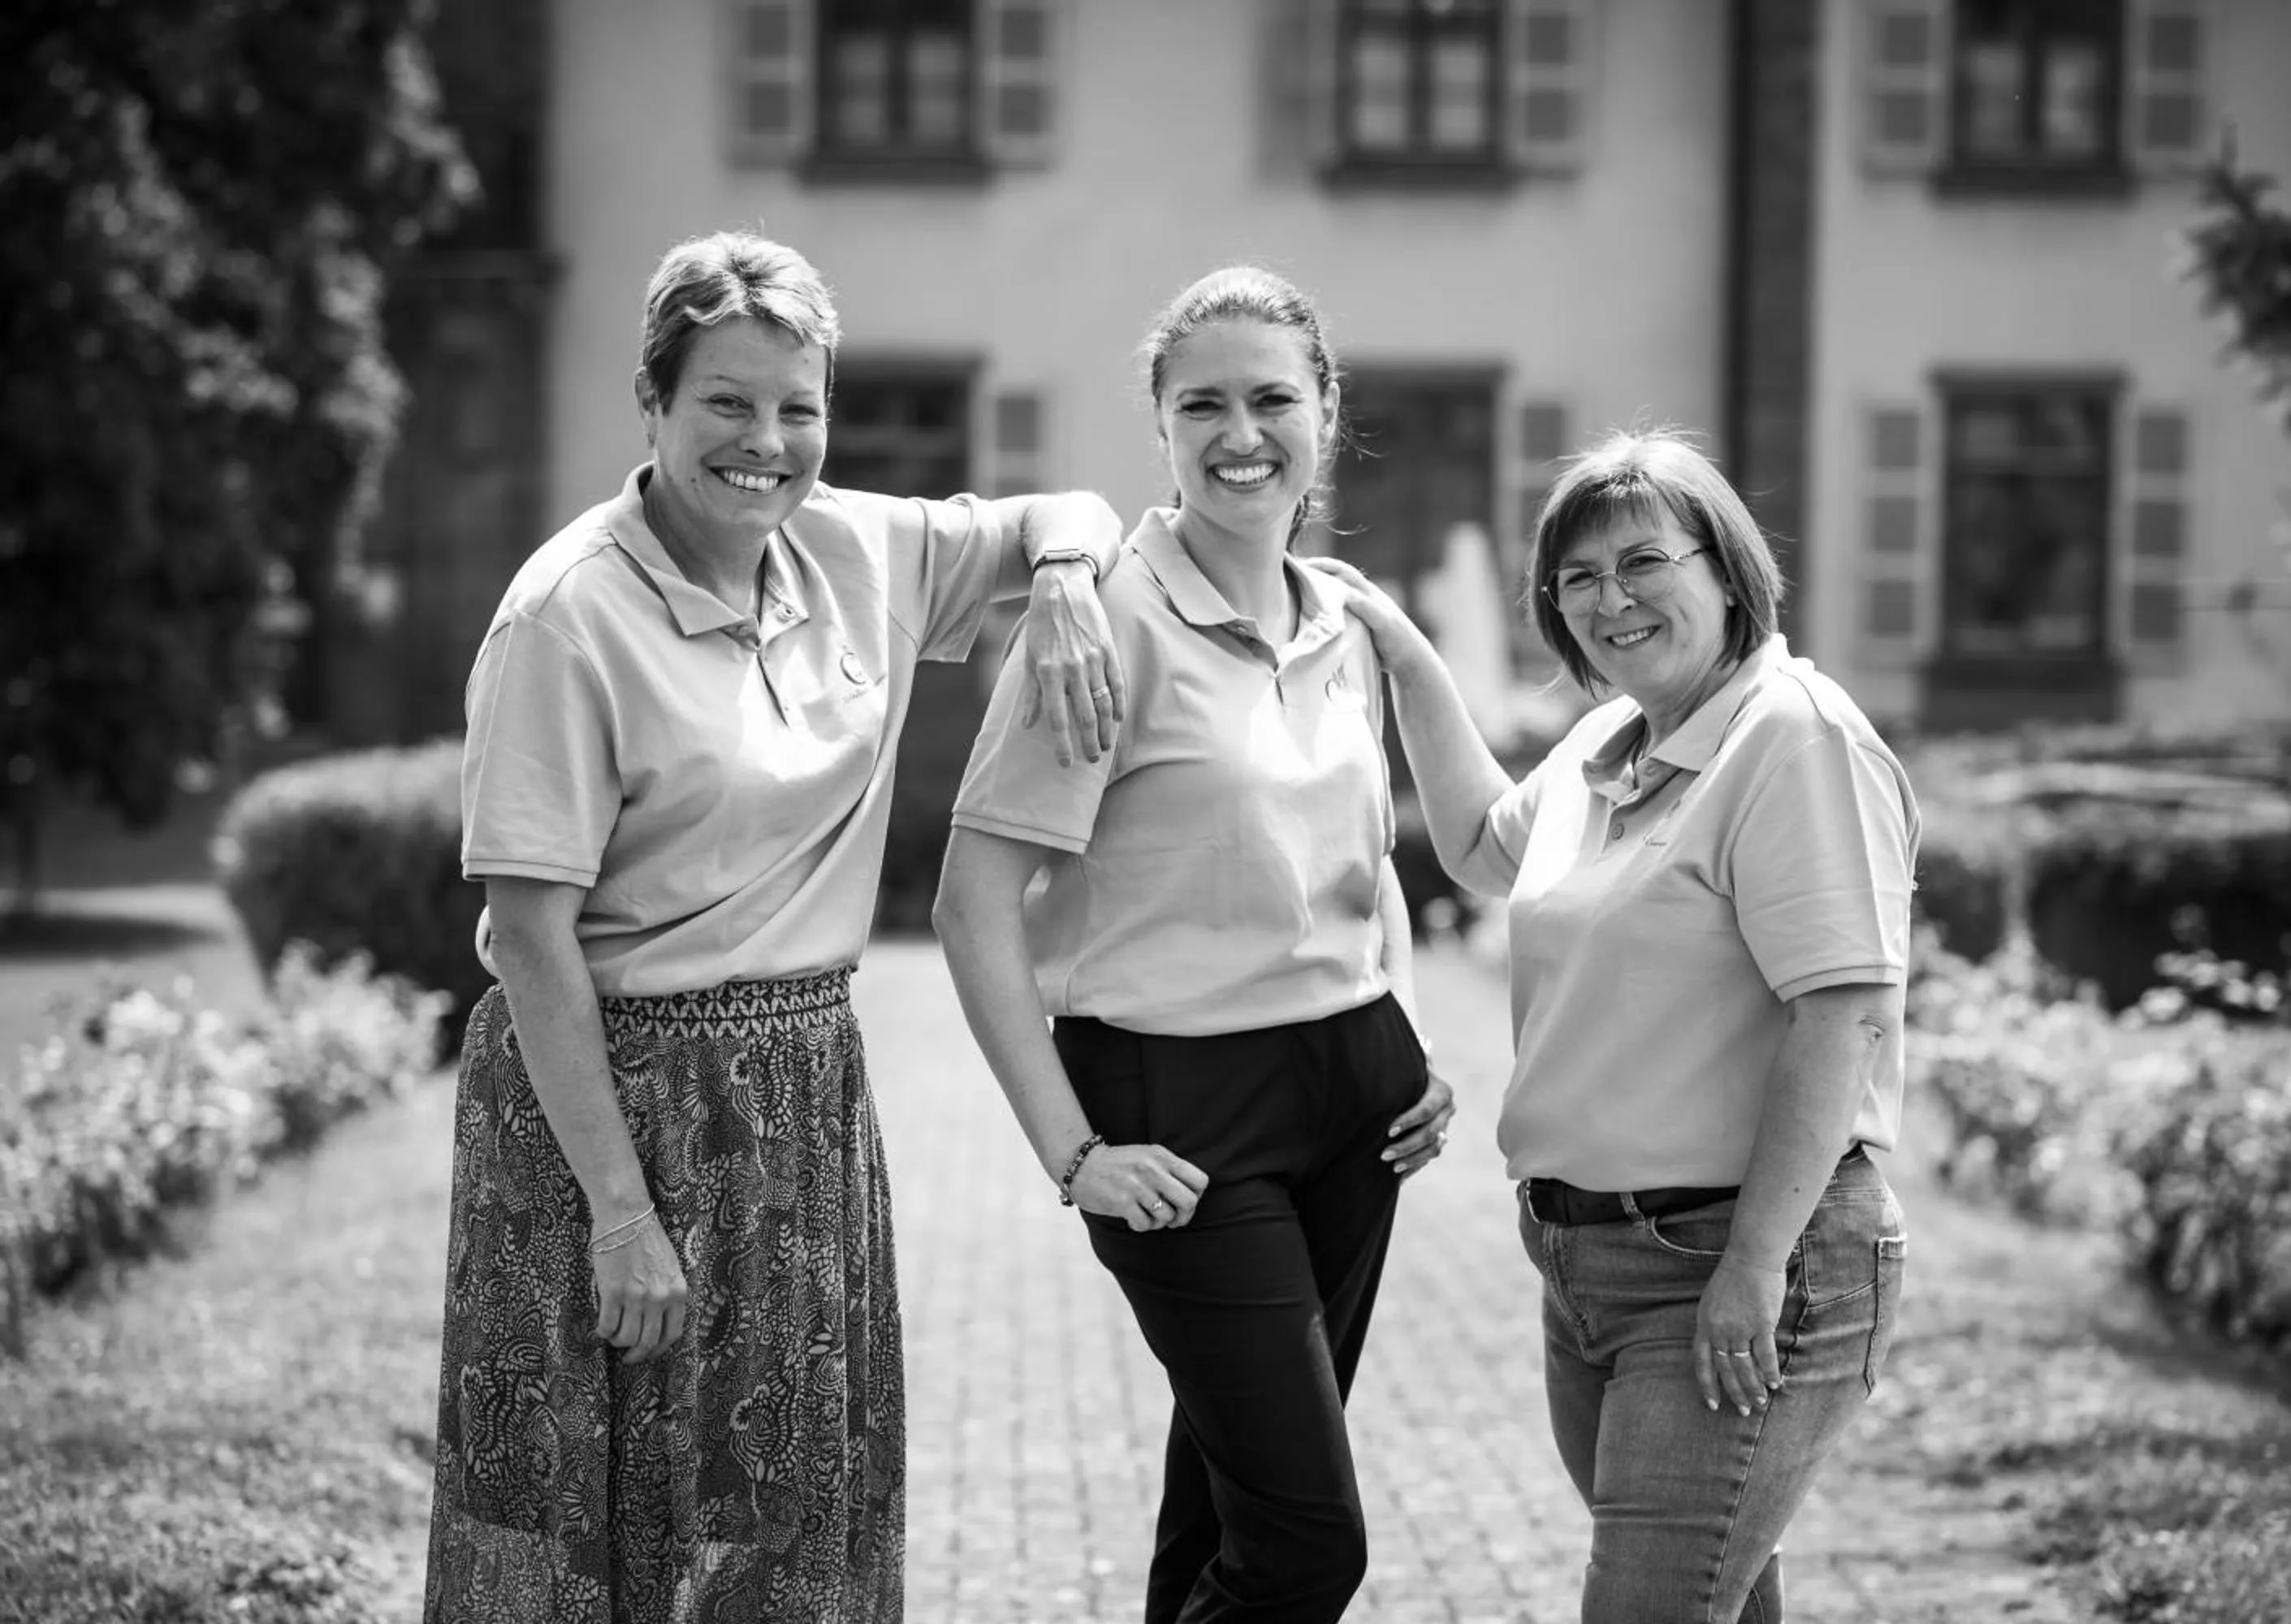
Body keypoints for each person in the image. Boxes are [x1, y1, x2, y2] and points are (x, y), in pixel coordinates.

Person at [421, 230, 1128, 1624]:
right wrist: (622, 1214)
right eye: (728, 404)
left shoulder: (856, 547)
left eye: (799, 407)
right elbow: (532, 936)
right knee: (588, 1525)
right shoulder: (562, 621)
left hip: (803, 1093)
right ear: (654, 403)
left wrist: (1059, 585)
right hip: (605, 1106)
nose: (769, 441)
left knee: (795, 1517)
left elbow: (1080, 506)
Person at [1310, 427, 1917, 1622]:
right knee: (1716, 1596)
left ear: (1727, 568)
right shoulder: (1613, 739)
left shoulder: (1791, 738)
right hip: (1586, 1263)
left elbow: (1843, 1016)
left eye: (1644, 563)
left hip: (1734, 1262)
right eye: (1578, 579)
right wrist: (1403, 651)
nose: (1610, 600)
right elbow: (1488, 851)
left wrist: (1752, 1270)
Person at [931, 266, 1459, 1623]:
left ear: (1325, 414)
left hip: (1358, 1102)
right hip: (1176, 1111)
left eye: (1274, 399)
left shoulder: (1340, 618)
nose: (1243, 433)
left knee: (1227, 1510)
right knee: (1305, 1547)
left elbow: (1359, 859)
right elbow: (972, 902)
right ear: (1159, 426)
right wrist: (1072, 1156)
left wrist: (1404, 1032)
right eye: (1203, 403)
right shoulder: (1100, 619)